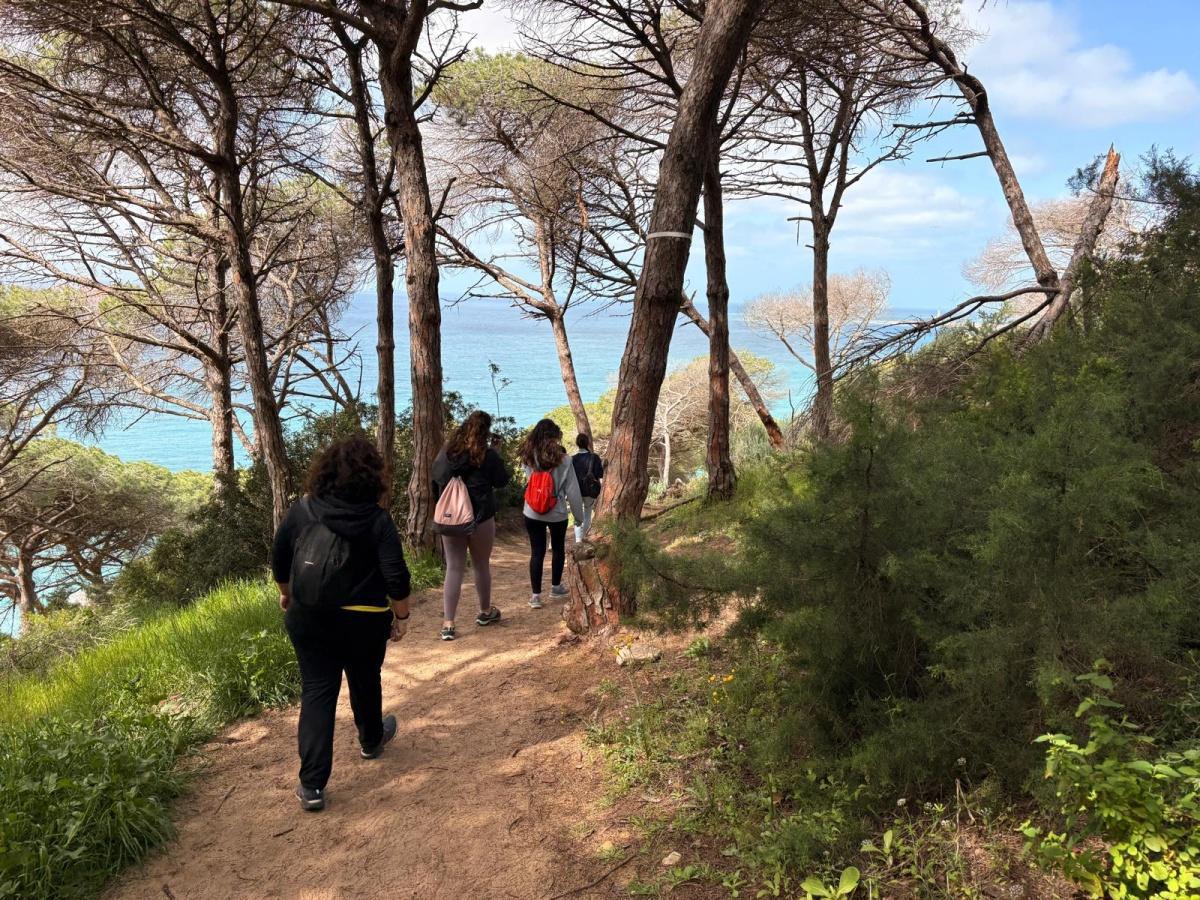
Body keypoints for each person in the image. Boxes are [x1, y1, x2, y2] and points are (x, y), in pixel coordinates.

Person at [271, 436, 411, 813]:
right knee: (365, 678)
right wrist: (401, 616)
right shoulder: (377, 519)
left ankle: (312, 784)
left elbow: (279, 557)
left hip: (308, 614)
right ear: (373, 477)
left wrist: (287, 593)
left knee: (317, 690)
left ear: (325, 472)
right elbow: (395, 576)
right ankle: (370, 741)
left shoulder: (302, 509)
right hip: (363, 620)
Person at [431, 410, 511, 641]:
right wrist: (497, 454)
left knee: (454, 567)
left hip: (451, 516)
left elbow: (436, 477)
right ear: (486, 432)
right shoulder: (488, 455)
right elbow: (502, 481)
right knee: (481, 564)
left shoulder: (448, 452)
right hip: (481, 516)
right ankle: (485, 612)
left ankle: (448, 624)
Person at [519, 419, 583, 609]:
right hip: (557, 511)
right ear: (555, 437)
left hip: (531, 511)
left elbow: (531, 481)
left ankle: (536, 596)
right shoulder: (565, 460)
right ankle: (555, 587)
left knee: (536, 552)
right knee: (558, 549)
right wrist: (579, 517)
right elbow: (573, 490)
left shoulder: (527, 457)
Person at [571, 433, 604, 542]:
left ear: (577, 444)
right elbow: (600, 475)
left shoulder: (572, 459)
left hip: (576, 491)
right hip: (590, 490)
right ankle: (584, 537)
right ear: (587, 443)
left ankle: (578, 540)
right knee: (587, 514)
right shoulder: (594, 457)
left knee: (577, 517)